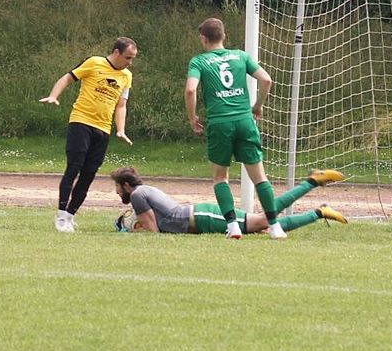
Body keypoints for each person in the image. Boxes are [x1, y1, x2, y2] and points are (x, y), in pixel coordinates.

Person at [185, 17, 285, 239]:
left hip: (220, 123)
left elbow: (191, 90)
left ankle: (232, 226)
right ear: (224, 36)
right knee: (259, 177)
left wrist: (192, 117)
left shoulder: (199, 61)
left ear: (203, 39)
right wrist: (257, 106)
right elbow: (266, 80)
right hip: (244, 121)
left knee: (220, 177)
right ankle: (275, 226)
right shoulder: (241, 56)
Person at [40, 37, 138, 233]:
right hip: (81, 122)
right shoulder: (94, 62)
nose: (130, 62)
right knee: (74, 167)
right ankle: (61, 215)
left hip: (103, 130)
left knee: (88, 174)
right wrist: (53, 95)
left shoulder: (126, 76)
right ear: (116, 52)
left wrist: (120, 129)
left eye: (133, 58)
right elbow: (67, 78)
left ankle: (70, 216)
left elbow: (121, 105)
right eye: (128, 57)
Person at [110, 166, 347, 234]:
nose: (117, 192)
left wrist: (129, 231)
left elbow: (152, 232)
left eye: (118, 187)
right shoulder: (143, 192)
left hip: (202, 217)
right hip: (199, 218)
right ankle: (319, 212)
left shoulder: (138, 194)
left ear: (127, 185)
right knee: (263, 227)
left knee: (263, 220)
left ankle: (312, 182)